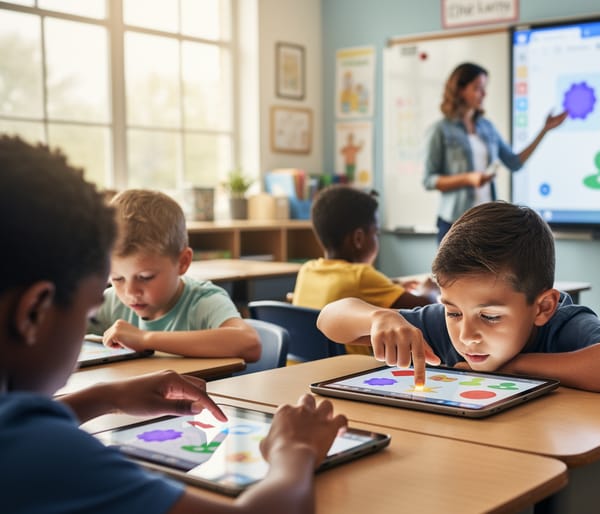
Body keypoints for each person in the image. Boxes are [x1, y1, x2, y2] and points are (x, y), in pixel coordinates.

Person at [0, 135, 347, 513]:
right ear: (33, 312)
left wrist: (105, 396)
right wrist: (293, 451)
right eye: (88, 313)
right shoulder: (43, 451)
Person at [317, 201, 600, 394]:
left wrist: (514, 367)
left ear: (543, 307)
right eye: (453, 312)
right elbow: (330, 318)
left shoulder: (564, 325)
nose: (466, 336)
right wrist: (378, 318)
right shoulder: (441, 326)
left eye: (490, 317)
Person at [88, 189, 261, 362]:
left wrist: (145, 338)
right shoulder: (111, 302)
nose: (130, 292)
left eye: (146, 277)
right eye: (117, 278)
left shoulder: (204, 302)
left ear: (183, 262)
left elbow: (250, 345)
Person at [424, 62, 568, 243]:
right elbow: (429, 180)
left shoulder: (487, 128)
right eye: (478, 88)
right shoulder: (440, 130)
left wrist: (544, 129)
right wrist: (468, 178)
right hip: (454, 223)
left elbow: (514, 162)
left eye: (485, 88)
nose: (484, 94)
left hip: (485, 223)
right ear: (460, 90)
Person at [293, 185, 437, 356]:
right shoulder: (361, 276)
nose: (377, 238)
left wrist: (393, 285)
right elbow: (426, 307)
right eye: (376, 233)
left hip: (307, 366)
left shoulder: (307, 269)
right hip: (350, 370)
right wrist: (430, 287)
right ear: (359, 239)